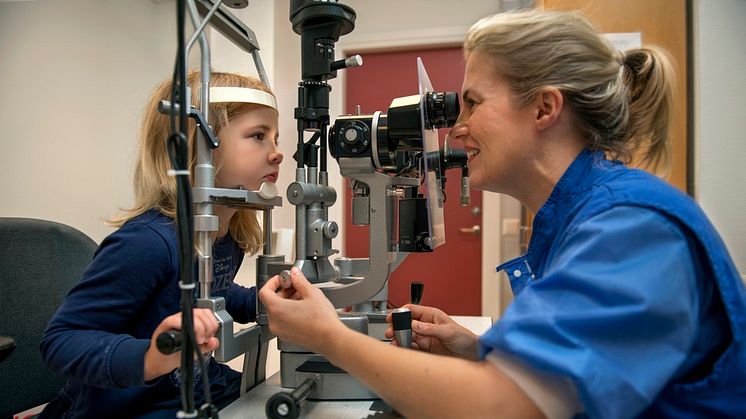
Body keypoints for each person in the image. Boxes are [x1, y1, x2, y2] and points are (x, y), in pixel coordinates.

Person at [259, 9, 746, 419]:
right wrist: (477, 350)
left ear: (543, 109)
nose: (460, 129)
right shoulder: (584, 215)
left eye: (472, 103)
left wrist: (326, 335)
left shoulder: (632, 227)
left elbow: (503, 408)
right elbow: (578, 375)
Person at [39, 71, 283, 418]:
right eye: (258, 136)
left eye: (276, 138)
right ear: (195, 144)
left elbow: (210, 293)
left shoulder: (226, 237)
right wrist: (151, 357)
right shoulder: (147, 243)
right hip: (131, 403)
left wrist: (258, 300)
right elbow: (61, 340)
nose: (277, 153)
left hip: (197, 386)